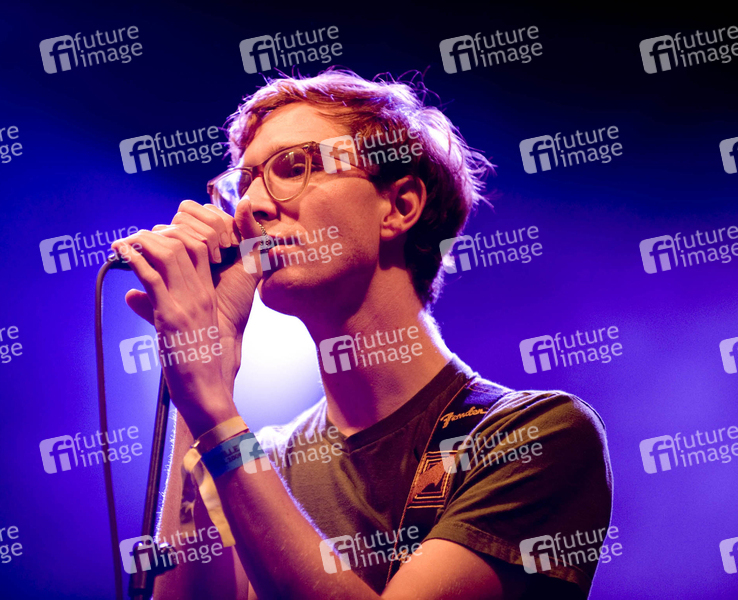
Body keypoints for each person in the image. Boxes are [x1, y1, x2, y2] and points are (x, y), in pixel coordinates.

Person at [110, 69, 612, 599]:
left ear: (399, 206)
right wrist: (205, 378)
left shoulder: (533, 435)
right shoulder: (264, 460)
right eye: (244, 183)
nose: (251, 206)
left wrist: (216, 417)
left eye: (294, 167)